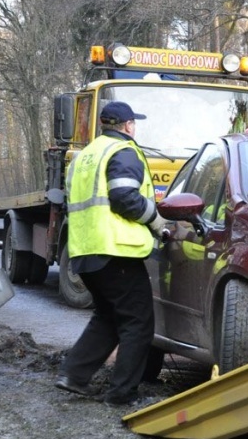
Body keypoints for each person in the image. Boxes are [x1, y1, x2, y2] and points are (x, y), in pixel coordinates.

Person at [55, 101, 168, 407]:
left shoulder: (86, 155)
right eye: (134, 123)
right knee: (138, 322)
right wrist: (157, 221)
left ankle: (73, 375)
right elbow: (124, 197)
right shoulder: (124, 151)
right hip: (116, 250)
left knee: (107, 316)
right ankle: (122, 393)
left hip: (85, 250)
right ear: (128, 125)